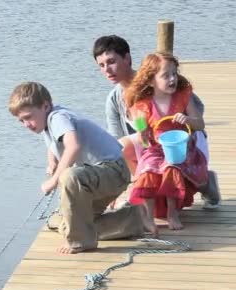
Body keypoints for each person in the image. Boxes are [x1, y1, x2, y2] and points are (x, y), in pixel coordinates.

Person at [8, 81, 151, 254]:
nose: (26, 124)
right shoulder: (47, 121)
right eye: (21, 120)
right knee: (68, 226)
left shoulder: (57, 118)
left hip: (113, 171)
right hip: (98, 177)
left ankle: (79, 242)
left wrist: (53, 181)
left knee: (69, 176)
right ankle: (133, 219)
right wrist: (52, 162)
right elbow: (53, 144)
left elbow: (73, 146)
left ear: (45, 106)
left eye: (29, 117)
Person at [92, 35, 220, 209]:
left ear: (127, 58)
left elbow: (198, 108)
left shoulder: (160, 77)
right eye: (101, 65)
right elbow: (117, 141)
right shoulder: (114, 99)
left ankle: (206, 183)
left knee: (178, 166)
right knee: (119, 147)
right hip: (148, 145)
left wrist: (177, 125)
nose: (107, 69)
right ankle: (142, 188)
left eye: (111, 61)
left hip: (181, 139)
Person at [124, 52, 208, 235]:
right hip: (155, 149)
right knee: (148, 170)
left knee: (172, 167)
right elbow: (142, 139)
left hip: (182, 148)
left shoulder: (182, 96)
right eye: (166, 75)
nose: (172, 79)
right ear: (151, 80)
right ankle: (147, 217)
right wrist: (142, 133)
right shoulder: (142, 105)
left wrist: (187, 119)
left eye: (174, 73)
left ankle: (172, 212)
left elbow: (200, 124)